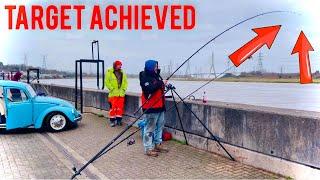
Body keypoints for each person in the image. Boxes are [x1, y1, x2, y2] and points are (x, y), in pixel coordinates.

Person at [139, 60, 169, 157]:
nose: (157, 67)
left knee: (160, 126)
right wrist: (160, 83)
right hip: (150, 107)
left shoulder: (156, 76)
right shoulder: (144, 78)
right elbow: (150, 88)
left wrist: (163, 84)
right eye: (156, 66)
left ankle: (158, 144)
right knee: (149, 129)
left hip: (160, 106)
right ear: (151, 67)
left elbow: (158, 87)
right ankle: (148, 148)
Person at [105, 60, 128, 127]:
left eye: (120, 65)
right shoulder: (109, 72)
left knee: (120, 108)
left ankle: (119, 121)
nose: (120, 66)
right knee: (113, 108)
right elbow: (106, 82)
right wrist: (111, 89)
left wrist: (124, 89)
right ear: (115, 65)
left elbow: (126, 82)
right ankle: (112, 121)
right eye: (119, 65)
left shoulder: (122, 72)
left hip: (121, 94)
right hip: (113, 94)